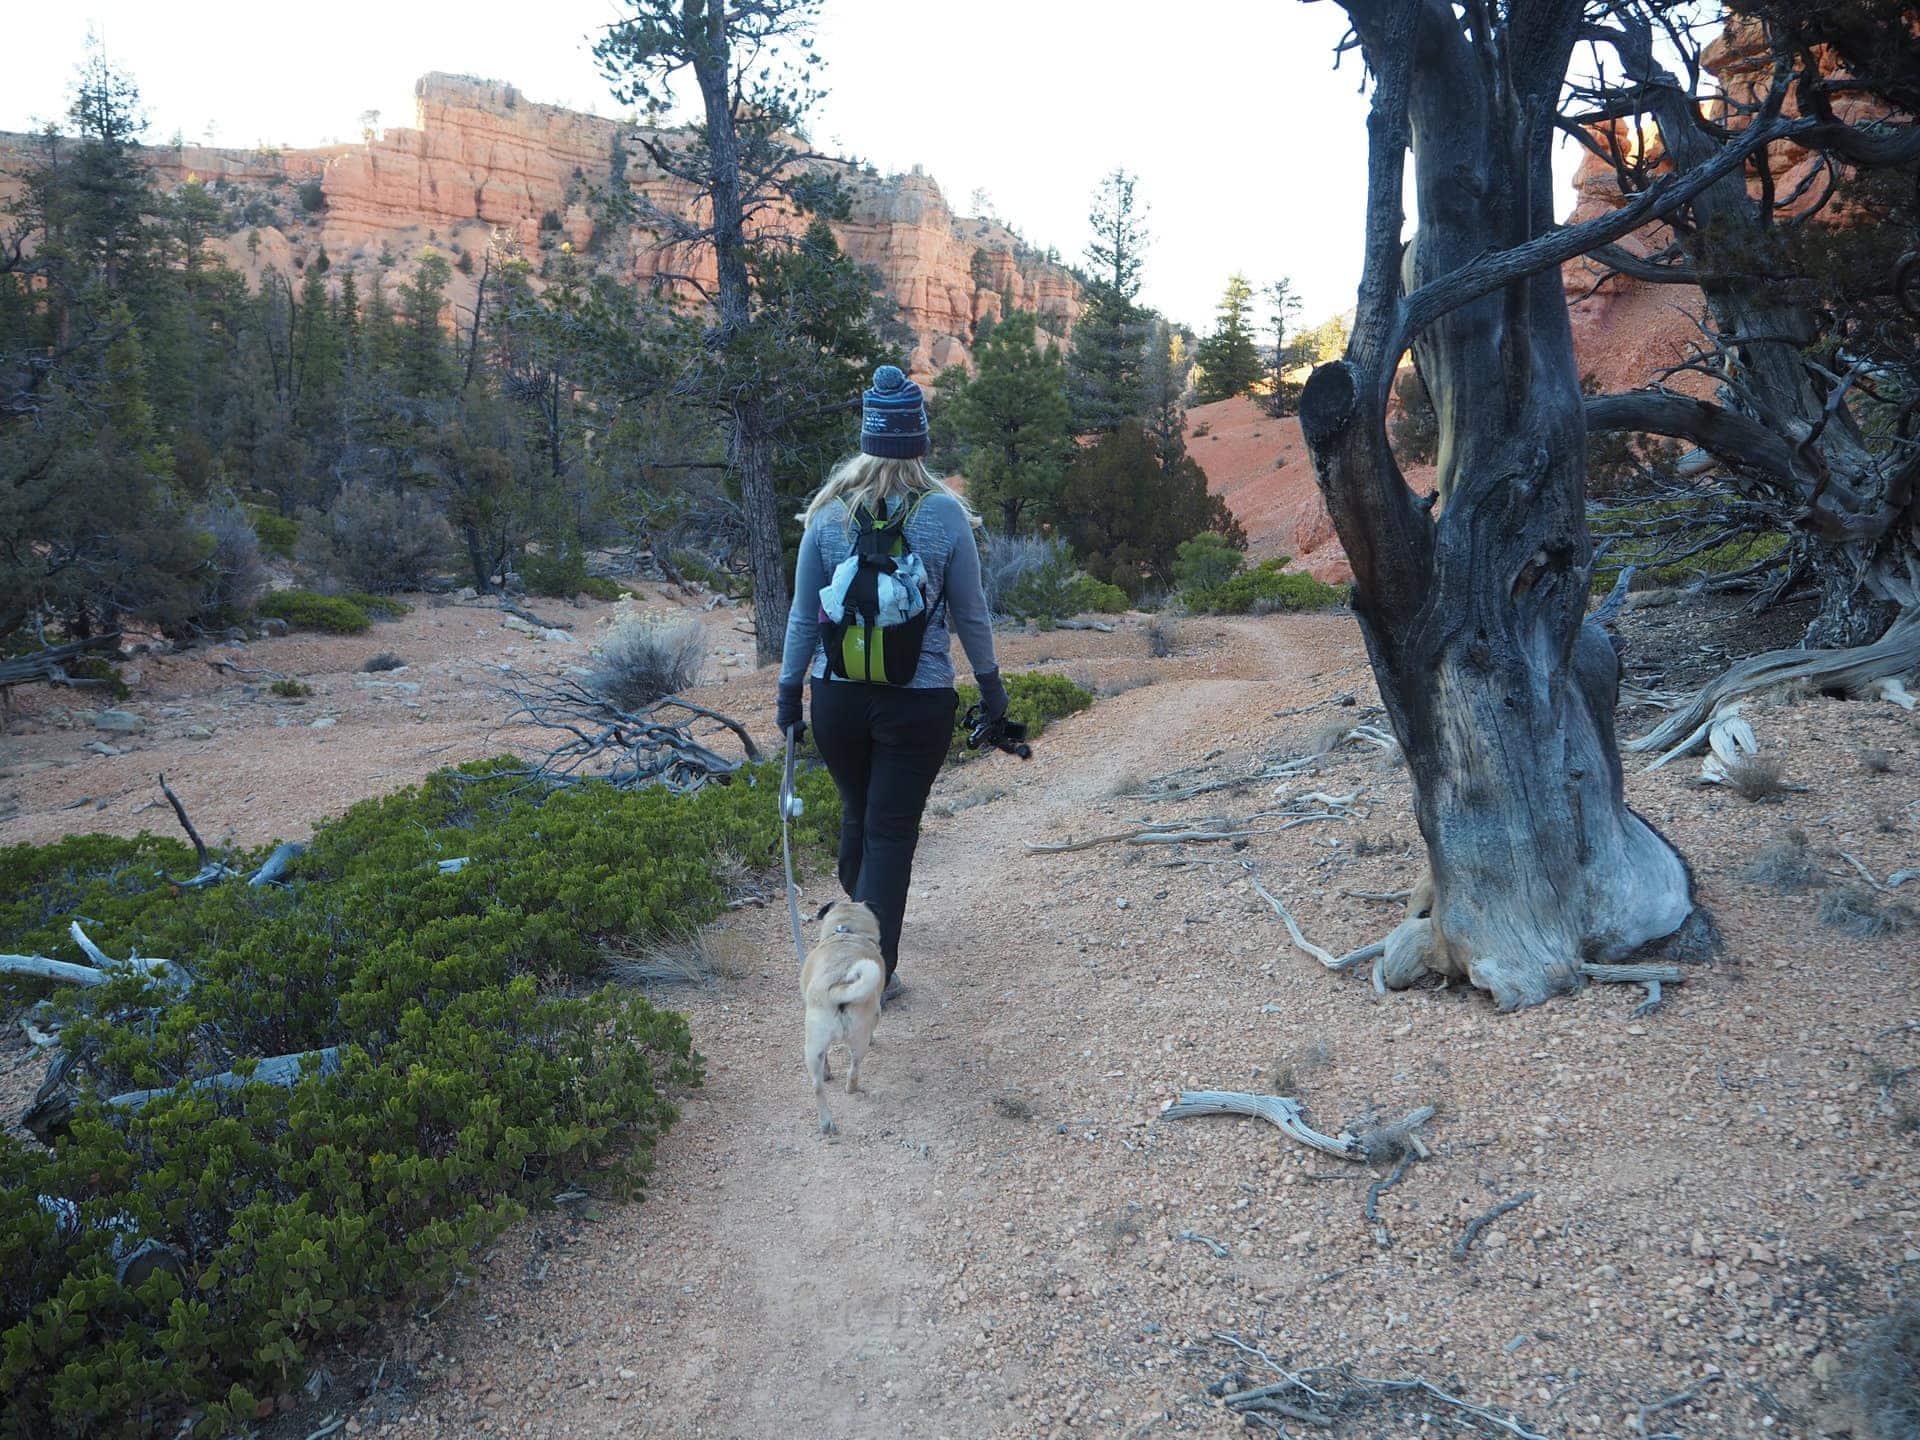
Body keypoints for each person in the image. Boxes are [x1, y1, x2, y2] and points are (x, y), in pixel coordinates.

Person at [777, 364, 1007, 1001]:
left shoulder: (826, 515)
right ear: (920, 442)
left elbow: (803, 614)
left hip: (837, 697)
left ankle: (858, 927)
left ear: (868, 437)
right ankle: (867, 971)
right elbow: (970, 614)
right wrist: (991, 689)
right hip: (919, 698)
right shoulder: (946, 515)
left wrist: (788, 691)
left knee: (861, 814)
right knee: (891, 832)